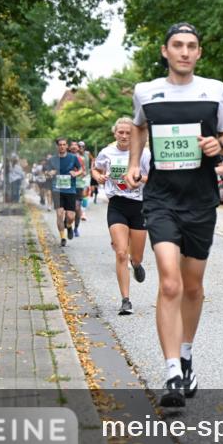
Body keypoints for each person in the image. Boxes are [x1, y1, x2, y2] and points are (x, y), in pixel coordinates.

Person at [125, 22, 223, 408]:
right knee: (170, 283)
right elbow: (138, 127)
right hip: (161, 198)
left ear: (199, 52)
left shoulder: (215, 90)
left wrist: (217, 145)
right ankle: (172, 371)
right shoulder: (146, 92)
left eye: (191, 45)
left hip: (201, 199)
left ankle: (186, 353)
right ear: (165, 51)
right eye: (178, 45)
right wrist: (134, 163)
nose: (185, 52)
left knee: (192, 287)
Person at [94, 117, 151, 316]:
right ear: (115, 133)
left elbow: (155, 178)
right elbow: (96, 168)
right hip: (117, 205)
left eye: (128, 132)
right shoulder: (107, 152)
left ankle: (136, 264)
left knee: (136, 256)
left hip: (139, 206)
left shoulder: (143, 154)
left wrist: (139, 177)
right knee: (120, 252)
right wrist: (99, 177)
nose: (125, 136)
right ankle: (126, 300)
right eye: (121, 132)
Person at [46, 137, 83, 247]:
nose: (62, 147)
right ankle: (62, 237)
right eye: (60, 145)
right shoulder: (52, 159)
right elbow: (46, 173)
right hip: (57, 190)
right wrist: (50, 173)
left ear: (67, 146)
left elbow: (81, 169)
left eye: (64, 144)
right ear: (57, 146)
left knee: (71, 216)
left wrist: (76, 174)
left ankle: (69, 226)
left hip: (70, 190)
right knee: (59, 214)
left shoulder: (73, 158)